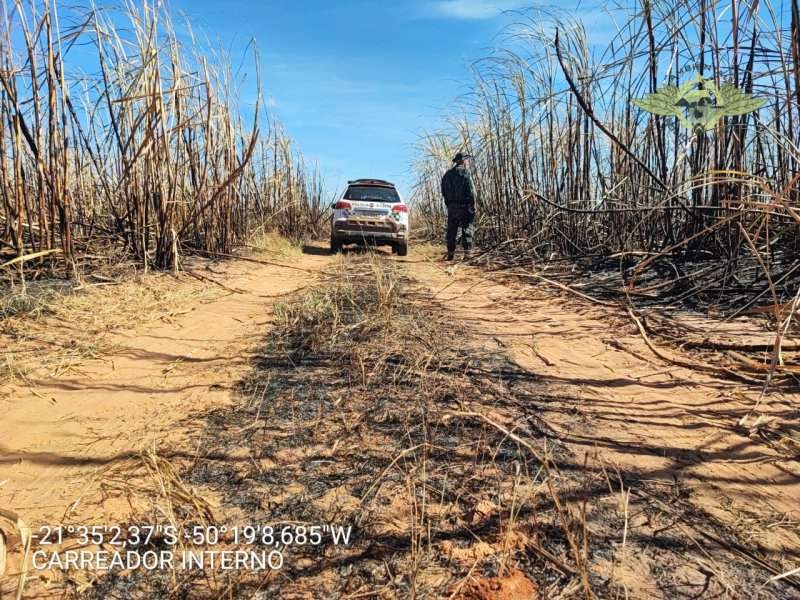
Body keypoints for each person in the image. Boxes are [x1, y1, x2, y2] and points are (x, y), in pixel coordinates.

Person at [440, 152, 476, 260]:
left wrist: (449, 204)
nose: (467, 161)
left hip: (452, 207)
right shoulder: (465, 172)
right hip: (464, 206)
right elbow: (471, 192)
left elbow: (443, 191)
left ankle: (451, 254)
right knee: (467, 229)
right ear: (463, 160)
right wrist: (473, 205)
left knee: (452, 230)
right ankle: (467, 254)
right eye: (466, 159)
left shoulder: (447, 175)